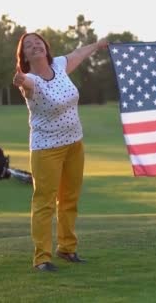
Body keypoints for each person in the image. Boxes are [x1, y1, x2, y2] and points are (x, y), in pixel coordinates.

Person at [13, 32, 108, 272]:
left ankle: (67, 248)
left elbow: (78, 54)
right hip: (47, 149)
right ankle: (42, 259)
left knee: (69, 199)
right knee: (44, 203)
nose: (35, 46)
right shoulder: (32, 79)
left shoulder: (59, 65)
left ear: (45, 47)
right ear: (24, 55)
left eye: (38, 42)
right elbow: (26, 85)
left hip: (75, 143)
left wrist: (97, 45)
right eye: (28, 46)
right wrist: (21, 80)